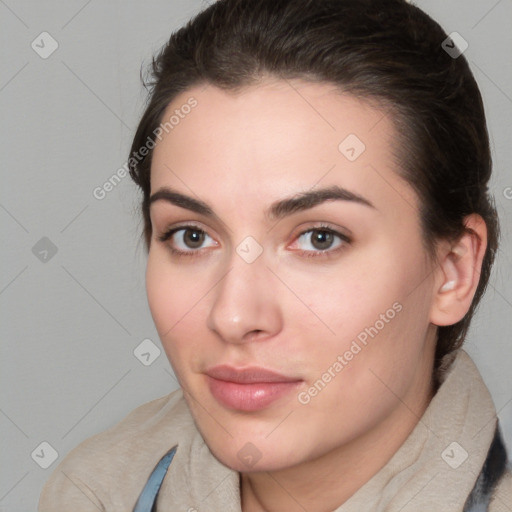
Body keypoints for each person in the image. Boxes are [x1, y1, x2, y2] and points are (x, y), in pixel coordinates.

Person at [39, 0, 512, 510]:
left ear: (453, 271)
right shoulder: (95, 492)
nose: (234, 316)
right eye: (192, 236)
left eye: (319, 238)